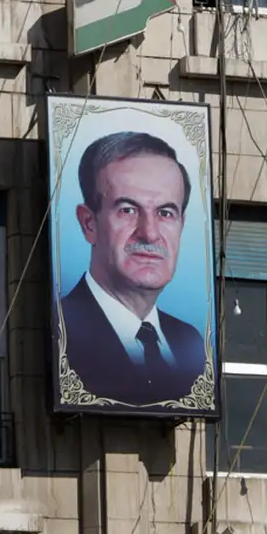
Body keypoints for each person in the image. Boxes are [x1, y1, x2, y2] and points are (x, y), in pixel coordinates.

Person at [58, 131, 206, 406]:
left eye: (165, 213)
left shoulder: (191, 343)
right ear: (89, 223)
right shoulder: (60, 331)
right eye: (128, 210)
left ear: (181, 225)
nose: (149, 233)